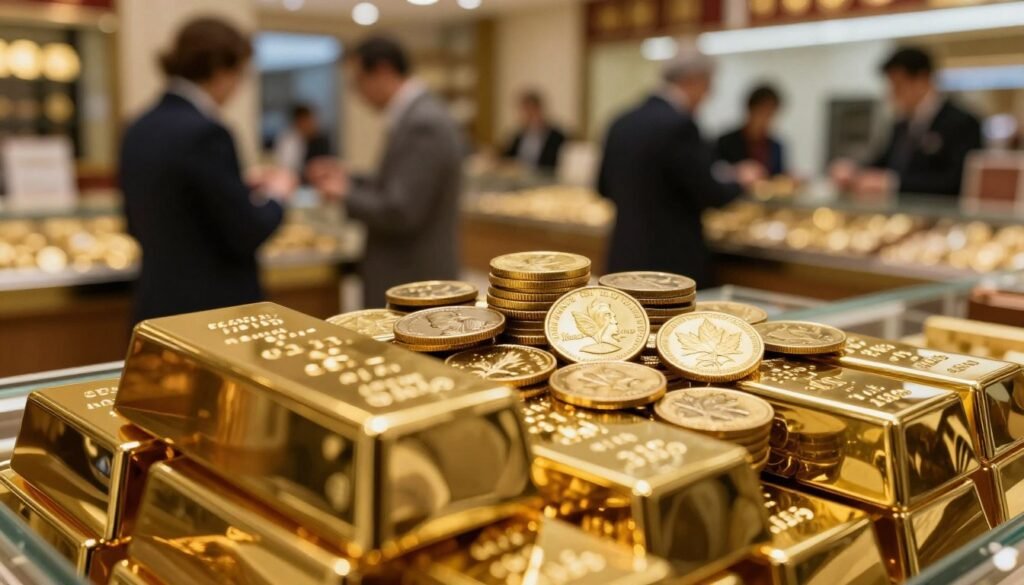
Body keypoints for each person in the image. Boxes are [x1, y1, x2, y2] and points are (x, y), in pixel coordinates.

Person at [119, 18, 294, 323]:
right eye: (240, 74)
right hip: (212, 311)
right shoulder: (207, 133)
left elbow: (142, 218)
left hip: (157, 304)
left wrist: (240, 186)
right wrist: (278, 194)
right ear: (220, 70)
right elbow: (245, 231)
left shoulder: (137, 127)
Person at [307, 36, 463, 307]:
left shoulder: (423, 122)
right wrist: (349, 177)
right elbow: (397, 184)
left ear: (382, 71)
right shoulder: (415, 115)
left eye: (358, 81)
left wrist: (345, 193)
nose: (357, 93)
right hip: (409, 271)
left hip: (412, 275)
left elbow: (400, 211)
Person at [598, 46, 761, 287]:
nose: (708, 94)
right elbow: (710, 193)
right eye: (708, 85)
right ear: (693, 80)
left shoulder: (620, 121)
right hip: (670, 268)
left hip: (623, 259)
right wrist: (741, 181)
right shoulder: (680, 126)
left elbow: (603, 187)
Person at [834, 47, 982, 196]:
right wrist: (855, 171)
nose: (892, 95)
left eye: (898, 86)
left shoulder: (962, 123)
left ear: (922, 80)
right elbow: (884, 162)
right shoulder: (902, 124)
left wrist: (894, 184)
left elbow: (958, 182)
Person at [716, 84, 786, 176]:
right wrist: (735, 171)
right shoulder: (725, 142)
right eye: (762, 112)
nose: (766, 119)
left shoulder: (776, 147)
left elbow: (778, 177)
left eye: (771, 114)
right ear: (750, 110)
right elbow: (714, 173)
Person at [502, 91, 567, 172]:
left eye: (532, 110)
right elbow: (507, 157)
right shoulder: (519, 135)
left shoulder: (556, 137)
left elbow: (556, 165)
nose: (528, 115)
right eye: (525, 111)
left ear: (540, 110)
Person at [273, 103, 331, 181]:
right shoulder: (289, 139)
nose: (311, 123)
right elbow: (286, 166)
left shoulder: (320, 141)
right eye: (306, 120)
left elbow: (325, 164)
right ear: (297, 121)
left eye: (311, 120)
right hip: (293, 179)